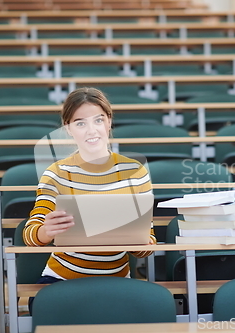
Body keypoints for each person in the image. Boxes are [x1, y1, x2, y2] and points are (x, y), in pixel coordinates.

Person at [23, 87, 156, 311]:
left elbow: (148, 247)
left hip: (117, 281)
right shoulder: (55, 174)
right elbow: (30, 235)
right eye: (80, 123)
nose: (91, 130)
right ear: (68, 129)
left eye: (98, 120)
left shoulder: (136, 171)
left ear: (109, 122)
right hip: (62, 280)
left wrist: (140, 239)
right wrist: (46, 230)